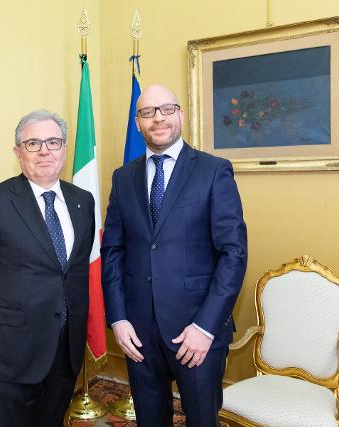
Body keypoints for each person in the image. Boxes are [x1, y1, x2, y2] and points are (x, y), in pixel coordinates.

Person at [101, 85, 248, 426]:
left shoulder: (213, 171)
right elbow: (112, 251)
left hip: (196, 332)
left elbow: (233, 254)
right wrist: (118, 319)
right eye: (148, 112)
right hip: (138, 332)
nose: (158, 118)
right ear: (138, 123)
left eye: (166, 109)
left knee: (201, 420)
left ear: (180, 114)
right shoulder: (123, 177)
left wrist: (206, 327)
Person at [0, 110, 95, 427]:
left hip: (65, 346)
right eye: (33, 143)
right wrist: (1, 319)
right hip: (11, 348)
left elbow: (74, 271)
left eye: (53, 141)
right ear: (18, 152)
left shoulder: (83, 201)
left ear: (64, 148)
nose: (45, 150)